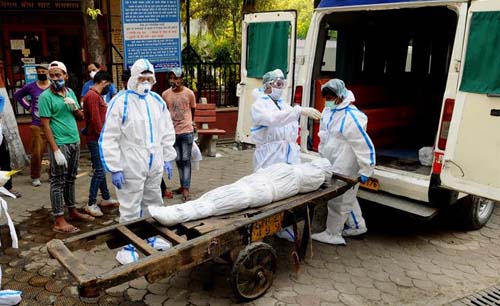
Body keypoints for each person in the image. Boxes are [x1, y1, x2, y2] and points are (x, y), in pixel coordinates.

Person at [99, 58, 177, 223]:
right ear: (134, 78)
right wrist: (115, 168)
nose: (146, 82)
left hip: (154, 160)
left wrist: (168, 157)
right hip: (131, 162)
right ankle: (130, 244)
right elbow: (109, 137)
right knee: (130, 205)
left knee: (154, 201)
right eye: (142, 78)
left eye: (149, 79)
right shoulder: (120, 102)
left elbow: (166, 131)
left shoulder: (157, 101)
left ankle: (153, 237)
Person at [250, 68, 321, 241]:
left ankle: (283, 226)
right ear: (268, 85)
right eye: (278, 84)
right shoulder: (259, 105)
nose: (281, 88)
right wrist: (298, 111)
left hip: (287, 154)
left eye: (283, 84)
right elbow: (273, 119)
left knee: (288, 192)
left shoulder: (282, 103)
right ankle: (267, 226)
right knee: (271, 192)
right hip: (270, 156)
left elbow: (288, 124)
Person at [312, 79, 376, 245]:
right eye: (325, 98)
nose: (327, 101)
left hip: (345, 161)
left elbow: (364, 145)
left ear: (340, 96)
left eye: (330, 98)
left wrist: (366, 169)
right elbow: (324, 134)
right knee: (347, 195)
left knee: (338, 199)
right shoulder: (329, 110)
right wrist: (322, 152)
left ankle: (333, 234)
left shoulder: (352, 117)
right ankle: (357, 225)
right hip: (332, 158)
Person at [39, 61, 95, 233]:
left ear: (66, 76)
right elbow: (45, 126)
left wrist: (75, 108)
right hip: (60, 144)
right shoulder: (45, 97)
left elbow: (80, 117)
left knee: (71, 178)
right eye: (52, 75)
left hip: (74, 141)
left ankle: (72, 210)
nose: (56, 78)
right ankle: (59, 219)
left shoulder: (69, 92)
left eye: (59, 75)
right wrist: (55, 150)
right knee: (57, 181)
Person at [82, 71, 119, 217]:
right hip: (96, 138)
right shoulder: (92, 96)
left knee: (101, 169)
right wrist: (103, 137)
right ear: (103, 82)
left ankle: (106, 197)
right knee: (98, 171)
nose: (108, 88)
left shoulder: (94, 96)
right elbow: (96, 120)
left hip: (97, 138)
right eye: (108, 85)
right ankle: (91, 203)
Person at [161, 67, 196, 202]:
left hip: (186, 131)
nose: (174, 80)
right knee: (178, 160)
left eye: (176, 77)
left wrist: (192, 122)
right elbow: (164, 112)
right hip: (172, 132)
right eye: (171, 78)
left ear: (181, 79)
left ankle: (186, 188)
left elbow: (193, 108)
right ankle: (182, 185)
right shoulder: (165, 94)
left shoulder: (189, 93)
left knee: (186, 160)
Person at [13, 63, 50, 187]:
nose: (41, 74)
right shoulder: (31, 87)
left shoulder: (53, 87)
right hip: (37, 124)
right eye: (38, 72)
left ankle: (53, 174)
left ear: (48, 72)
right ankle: (35, 176)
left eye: (43, 71)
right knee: (37, 152)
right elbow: (17, 95)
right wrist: (28, 107)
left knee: (54, 152)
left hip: (54, 124)